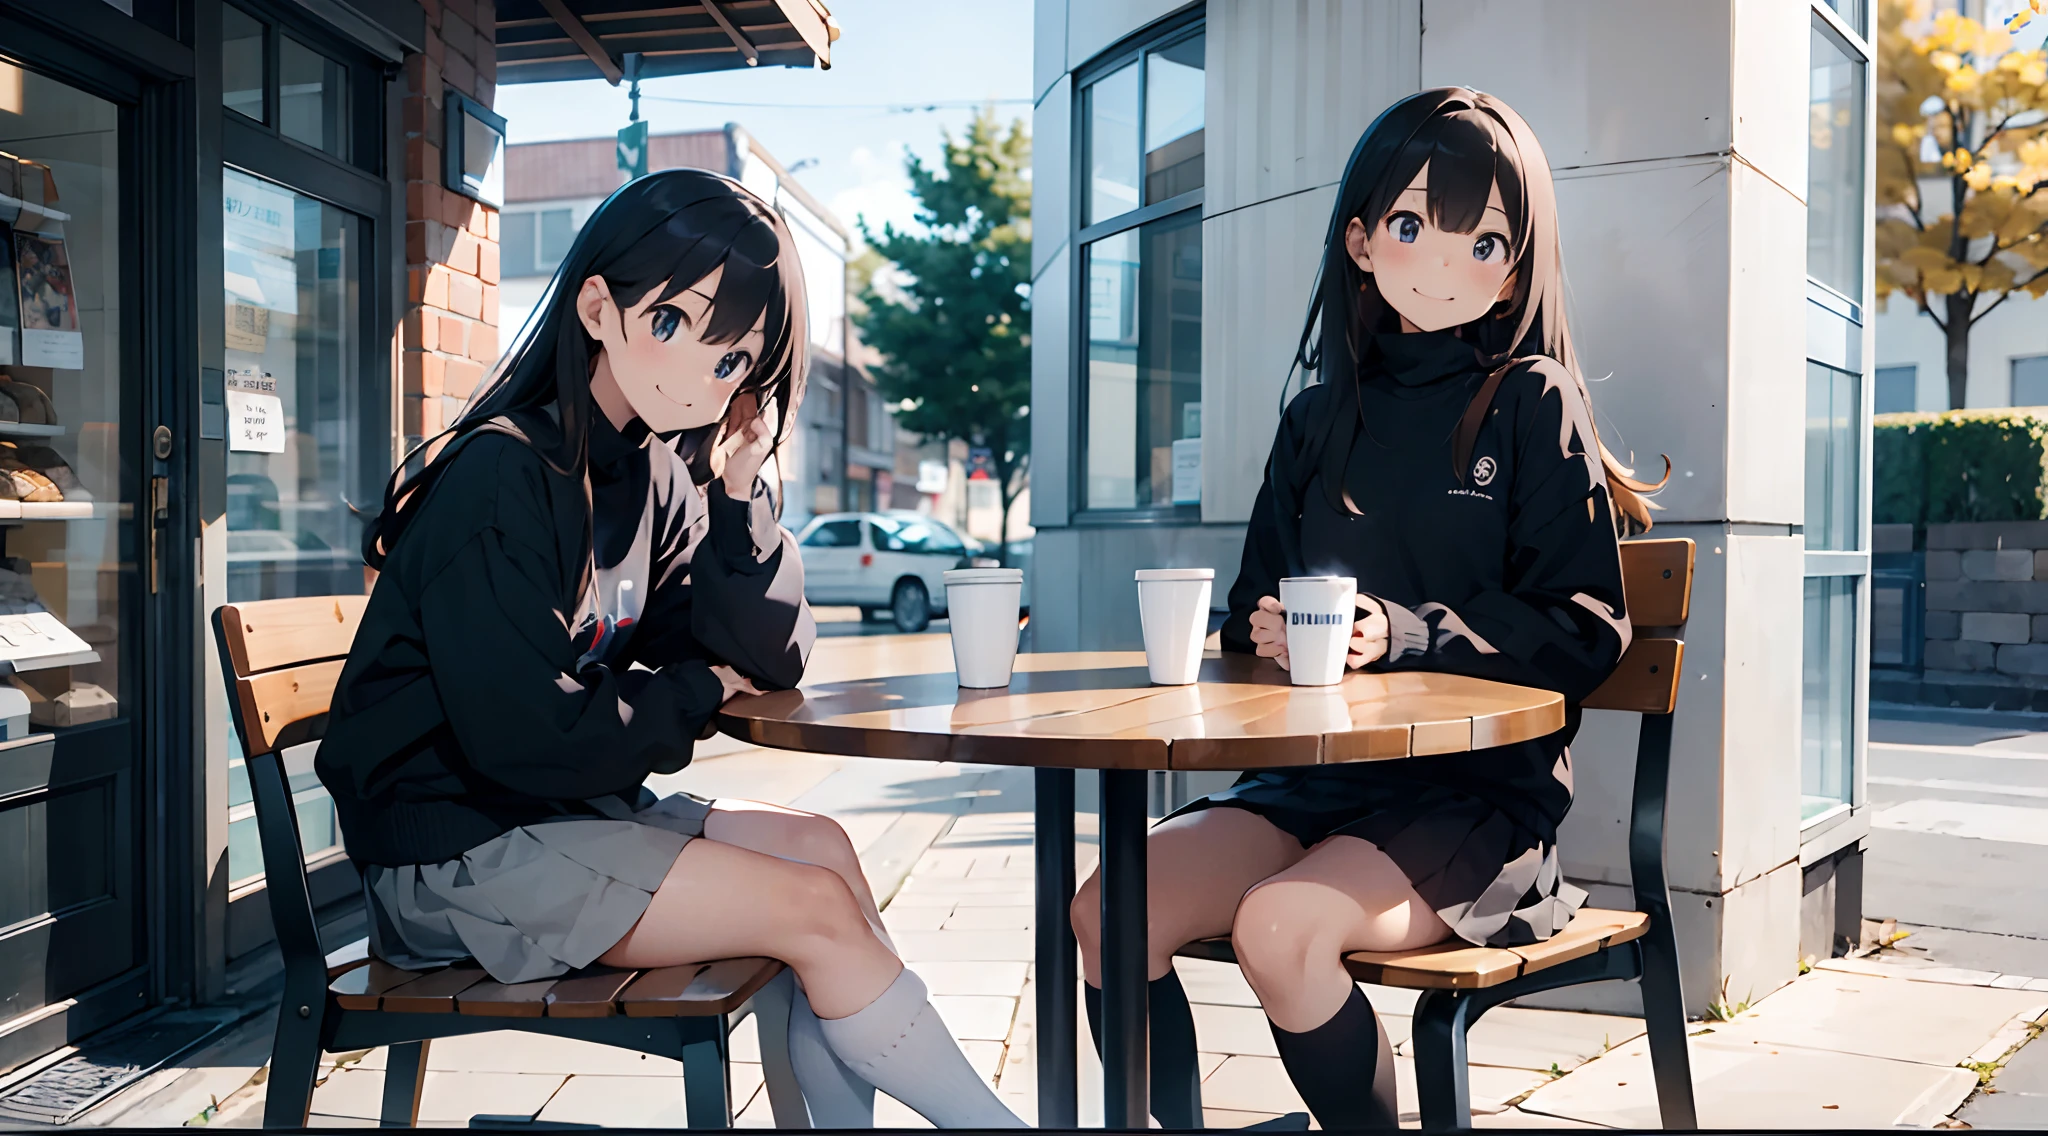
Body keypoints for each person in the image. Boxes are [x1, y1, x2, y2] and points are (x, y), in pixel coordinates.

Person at [318, 170, 1022, 1129]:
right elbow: (528, 735)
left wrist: (738, 496)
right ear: (598, 308)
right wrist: (693, 690)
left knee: (821, 847)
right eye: (676, 326)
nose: (704, 375)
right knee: (810, 911)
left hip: (557, 817)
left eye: (735, 360)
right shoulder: (502, 476)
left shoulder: (651, 474)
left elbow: (771, 658)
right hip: (453, 862)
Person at [1069, 88, 1662, 1130]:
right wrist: (1254, 629)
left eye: (1481, 241)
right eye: (1408, 225)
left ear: (1515, 268)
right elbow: (1256, 602)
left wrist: (1406, 630)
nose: (1441, 260)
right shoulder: (1315, 419)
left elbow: (1583, 627)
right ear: (1358, 239)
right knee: (1107, 907)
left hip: (1474, 800)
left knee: (1282, 926)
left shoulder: (1529, 401)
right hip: (1312, 786)